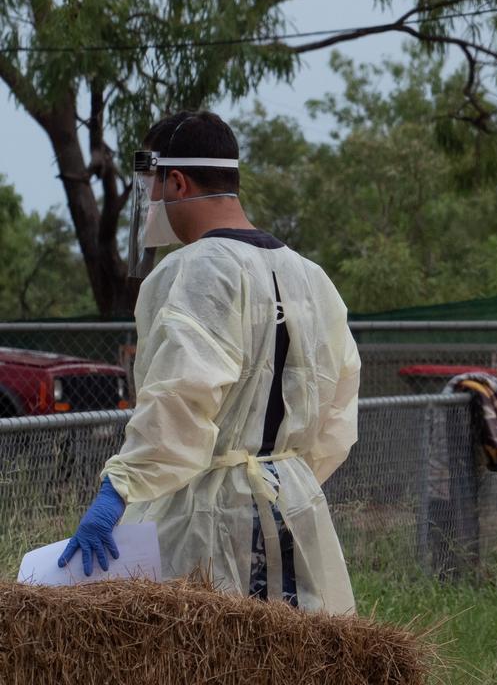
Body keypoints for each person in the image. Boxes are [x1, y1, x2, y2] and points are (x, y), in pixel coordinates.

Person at [58, 111, 362, 614]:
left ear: (176, 182)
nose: (152, 202)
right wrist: (284, 479)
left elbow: (180, 395)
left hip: (209, 515)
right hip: (295, 506)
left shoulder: (196, 269)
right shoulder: (310, 276)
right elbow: (338, 409)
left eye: (153, 187)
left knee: (202, 654)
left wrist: (122, 485)